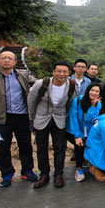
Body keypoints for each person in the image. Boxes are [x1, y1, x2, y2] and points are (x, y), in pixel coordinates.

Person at [0, 51, 37, 187]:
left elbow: (37, 85)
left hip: (22, 116)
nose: (6, 61)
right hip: (2, 118)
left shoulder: (23, 75)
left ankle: (27, 170)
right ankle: (7, 174)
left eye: (10, 58)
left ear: (15, 62)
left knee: (25, 144)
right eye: (3, 58)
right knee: (3, 147)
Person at [28, 60, 75, 189]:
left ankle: (58, 174)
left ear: (68, 73)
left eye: (64, 71)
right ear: (53, 72)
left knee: (60, 148)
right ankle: (44, 174)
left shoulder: (71, 85)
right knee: (41, 147)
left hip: (60, 120)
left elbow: (71, 102)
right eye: (59, 71)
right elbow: (31, 100)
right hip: (41, 119)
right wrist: (31, 118)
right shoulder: (41, 84)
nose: (61, 74)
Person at [66, 83, 102, 182]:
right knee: (80, 145)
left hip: (87, 130)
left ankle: (90, 163)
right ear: (88, 90)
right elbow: (73, 119)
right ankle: (79, 169)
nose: (94, 93)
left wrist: (93, 105)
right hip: (73, 130)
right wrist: (77, 136)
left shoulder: (98, 104)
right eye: (92, 90)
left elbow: (89, 119)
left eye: (97, 91)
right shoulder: (77, 101)